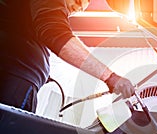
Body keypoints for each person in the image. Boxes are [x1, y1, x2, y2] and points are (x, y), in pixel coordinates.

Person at [0, 0, 135, 113]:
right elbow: (54, 33)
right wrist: (110, 77)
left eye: (78, 9)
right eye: (77, 1)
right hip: (13, 78)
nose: (75, 9)